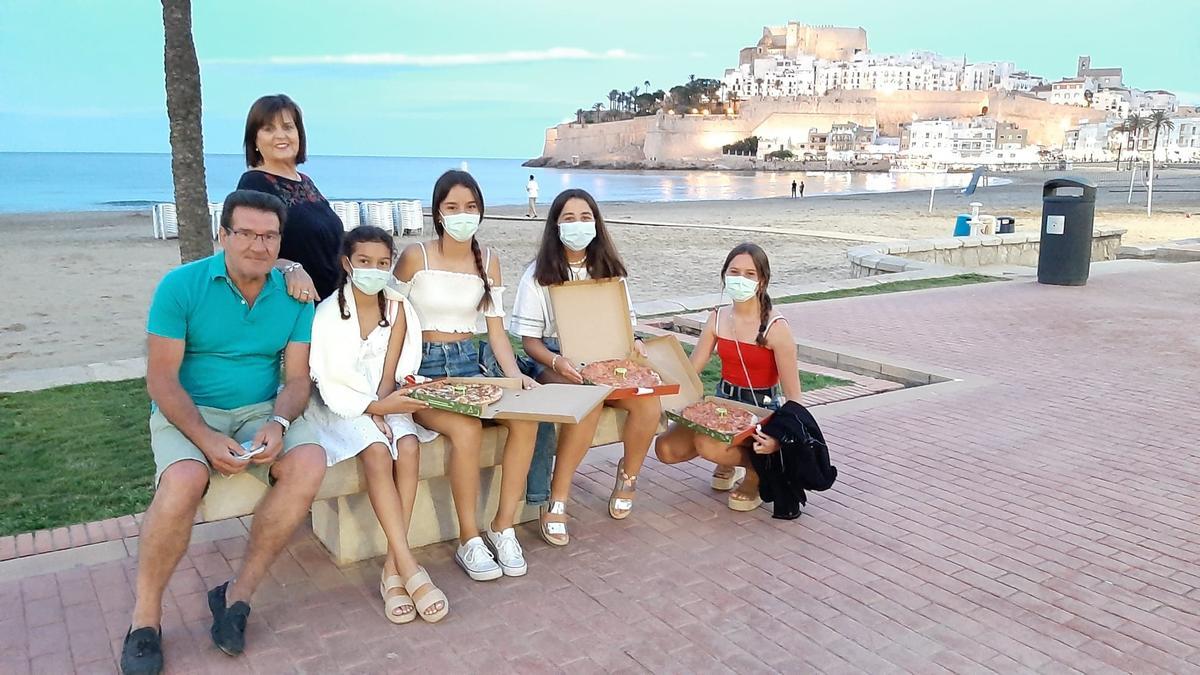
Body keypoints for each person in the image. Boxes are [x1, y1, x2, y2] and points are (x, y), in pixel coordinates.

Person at [121, 190, 326, 675]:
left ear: (281, 241)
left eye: (270, 235)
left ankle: (236, 598)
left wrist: (279, 422)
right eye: (247, 234)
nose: (258, 245)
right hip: (191, 410)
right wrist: (206, 439)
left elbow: (297, 380)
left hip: (259, 409)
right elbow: (161, 380)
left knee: (309, 463)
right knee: (184, 481)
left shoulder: (294, 295)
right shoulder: (181, 287)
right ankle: (144, 619)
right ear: (224, 236)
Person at [393, 169, 539, 581]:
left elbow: (495, 331)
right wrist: (391, 384)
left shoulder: (490, 260)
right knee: (466, 431)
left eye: (470, 207)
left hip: (471, 368)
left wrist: (515, 377)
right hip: (424, 372)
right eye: (453, 207)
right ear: (437, 212)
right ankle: (468, 538)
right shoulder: (415, 257)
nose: (463, 215)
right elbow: (395, 324)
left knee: (526, 420)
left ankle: (503, 526)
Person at [305, 225, 448, 624]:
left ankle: (391, 567)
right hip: (342, 405)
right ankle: (410, 566)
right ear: (347, 263)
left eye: (382, 263)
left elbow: (394, 370)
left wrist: (384, 408)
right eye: (364, 262)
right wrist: (370, 410)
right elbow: (330, 377)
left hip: (387, 397)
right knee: (375, 450)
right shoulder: (330, 312)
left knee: (408, 445)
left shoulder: (399, 307)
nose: (374, 269)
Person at [508, 189, 660, 546]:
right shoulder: (537, 275)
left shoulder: (610, 271)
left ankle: (628, 477)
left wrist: (633, 341)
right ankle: (557, 497)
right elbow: (530, 342)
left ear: (596, 223)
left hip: (608, 358)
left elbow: (624, 326)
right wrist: (559, 361)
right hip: (555, 360)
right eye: (569, 218)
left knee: (648, 402)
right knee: (586, 401)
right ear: (556, 225)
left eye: (586, 217)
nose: (578, 225)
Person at [653, 242, 802, 511]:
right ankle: (729, 460)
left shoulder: (776, 328)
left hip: (761, 411)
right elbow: (690, 371)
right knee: (665, 449)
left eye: (749, 274)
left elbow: (794, 398)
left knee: (707, 445)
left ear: (762, 281)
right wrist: (648, 365)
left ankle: (757, 471)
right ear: (724, 275)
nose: (740, 280)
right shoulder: (718, 318)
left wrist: (779, 439)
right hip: (722, 404)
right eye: (734, 272)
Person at [237, 94, 343, 302]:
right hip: (294, 304)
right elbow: (244, 252)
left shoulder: (305, 181)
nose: (280, 135)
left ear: (299, 134)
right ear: (255, 140)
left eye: (287, 127)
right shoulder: (254, 184)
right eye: (268, 129)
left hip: (333, 305)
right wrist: (289, 267)